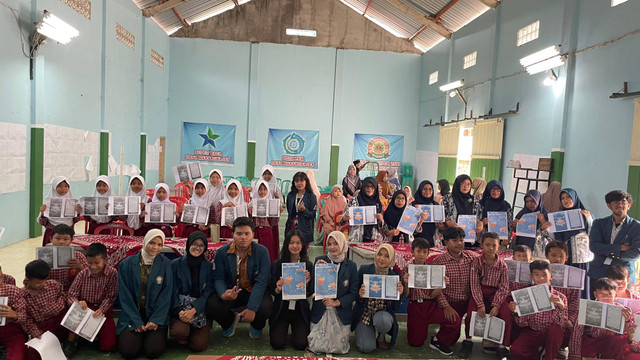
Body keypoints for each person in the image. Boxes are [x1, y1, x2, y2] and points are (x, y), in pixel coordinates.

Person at [207, 217, 273, 339]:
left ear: (253, 234)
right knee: (212, 304)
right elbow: (218, 278)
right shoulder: (222, 252)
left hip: (252, 290)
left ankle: (257, 325)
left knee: (266, 306)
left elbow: (262, 281)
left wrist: (252, 308)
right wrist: (223, 294)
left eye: (247, 233)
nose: (243, 237)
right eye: (239, 233)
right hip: (232, 291)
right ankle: (229, 322)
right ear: (233, 234)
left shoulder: (262, 252)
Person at [117, 229, 173, 359]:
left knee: (153, 351)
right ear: (145, 241)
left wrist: (156, 320)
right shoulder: (126, 264)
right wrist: (135, 320)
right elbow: (125, 296)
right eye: (152, 243)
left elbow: (166, 294)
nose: (155, 247)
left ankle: (148, 335)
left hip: (155, 315)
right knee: (129, 352)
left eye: (160, 244)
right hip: (132, 314)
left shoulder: (166, 264)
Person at [429, 227, 477, 356]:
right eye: (454, 240)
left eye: (461, 240)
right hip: (448, 302)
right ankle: (436, 341)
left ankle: (468, 340)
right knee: (453, 323)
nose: (459, 243)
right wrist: (446, 306)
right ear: (446, 242)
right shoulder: (438, 262)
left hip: (466, 302)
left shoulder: (471, 258)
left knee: (455, 336)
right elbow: (436, 288)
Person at [64, 243, 118, 357]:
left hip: (102, 310)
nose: (93, 267)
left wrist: (102, 309)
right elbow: (71, 294)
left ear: (106, 260)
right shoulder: (83, 273)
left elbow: (111, 296)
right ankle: (70, 341)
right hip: (85, 307)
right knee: (77, 312)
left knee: (109, 346)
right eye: (89, 263)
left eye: (97, 263)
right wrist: (78, 303)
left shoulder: (112, 273)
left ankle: (89, 336)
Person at [463, 232, 512, 358]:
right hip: (479, 292)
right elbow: (474, 285)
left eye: (494, 245)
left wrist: (496, 305)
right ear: (482, 246)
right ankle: (468, 341)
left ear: (499, 246)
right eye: (487, 245)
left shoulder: (503, 266)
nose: (490, 248)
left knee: (506, 314)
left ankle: (502, 346)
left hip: (496, 294)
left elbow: (504, 287)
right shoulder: (476, 263)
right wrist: (480, 304)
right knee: (470, 314)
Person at [401, 238, 454, 354]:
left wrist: (441, 285)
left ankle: (438, 340)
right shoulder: (407, 269)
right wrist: (406, 283)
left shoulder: (432, 270)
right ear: (412, 252)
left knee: (454, 320)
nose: (421, 255)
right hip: (415, 306)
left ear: (428, 254)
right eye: (418, 251)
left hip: (430, 305)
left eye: (425, 252)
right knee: (415, 343)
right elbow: (406, 295)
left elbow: (433, 294)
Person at [309, 231, 358, 354]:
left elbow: (353, 293)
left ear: (342, 244)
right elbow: (312, 290)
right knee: (317, 346)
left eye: (336, 243)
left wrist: (337, 302)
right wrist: (317, 272)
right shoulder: (320, 261)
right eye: (329, 244)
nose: (332, 247)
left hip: (340, 311)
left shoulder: (351, 266)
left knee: (340, 347)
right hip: (321, 309)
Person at [509, 260, 568, 360]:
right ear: (531, 276)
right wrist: (516, 312)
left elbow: (562, 323)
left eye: (544, 275)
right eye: (536, 275)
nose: (541, 278)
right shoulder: (525, 295)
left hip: (550, 333)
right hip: (531, 331)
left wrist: (561, 307)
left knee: (555, 331)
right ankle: (539, 352)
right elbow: (522, 323)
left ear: (551, 277)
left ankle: (548, 356)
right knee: (515, 351)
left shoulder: (560, 297)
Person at [353, 244, 403, 353]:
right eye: (379, 254)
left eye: (386, 256)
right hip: (365, 313)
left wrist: (399, 294)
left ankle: (381, 336)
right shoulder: (364, 270)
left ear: (391, 259)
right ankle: (368, 333)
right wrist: (360, 295)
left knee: (384, 321)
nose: (382, 258)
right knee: (366, 348)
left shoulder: (394, 276)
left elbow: (395, 307)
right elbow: (354, 296)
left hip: (382, 314)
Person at [269, 230, 313, 350]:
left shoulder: (307, 265)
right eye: (291, 242)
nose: (295, 246)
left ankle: (296, 333)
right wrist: (277, 289)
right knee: (277, 344)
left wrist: (307, 284)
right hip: (282, 308)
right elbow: (271, 289)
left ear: (302, 245)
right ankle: (283, 332)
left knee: (301, 344)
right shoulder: (278, 264)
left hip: (299, 309)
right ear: (286, 244)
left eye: (298, 243)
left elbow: (310, 292)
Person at [588, 190, 640, 294]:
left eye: (623, 202)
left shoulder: (637, 226)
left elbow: (636, 253)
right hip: (599, 271)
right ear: (609, 205)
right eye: (616, 202)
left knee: (622, 307)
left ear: (628, 205)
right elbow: (594, 246)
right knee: (597, 306)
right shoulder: (599, 223)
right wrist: (619, 248)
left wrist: (609, 255)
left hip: (623, 275)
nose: (620, 204)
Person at [170, 231, 214, 352]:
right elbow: (172, 290)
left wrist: (194, 310)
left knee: (199, 346)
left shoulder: (208, 266)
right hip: (180, 308)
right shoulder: (175, 264)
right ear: (188, 244)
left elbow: (208, 291)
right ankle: (184, 333)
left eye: (201, 245)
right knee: (180, 333)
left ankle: (195, 331)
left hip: (199, 309)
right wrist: (180, 312)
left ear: (205, 248)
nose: (197, 248)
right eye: (194, 244)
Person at [568, 277, 632, 360]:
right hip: (590, 340)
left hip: (609, 341)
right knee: (583, 346)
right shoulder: (587, 308)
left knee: (619, 340)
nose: (605, 296)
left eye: (609, 294)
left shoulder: (620, 309)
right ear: (595, 294)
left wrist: (627, 320)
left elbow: (625, 332)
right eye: (601, 293)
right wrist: (574, 355)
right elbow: (577, 332)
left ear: (615, 295)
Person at [21, 260, 68, 359]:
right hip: (42, 329)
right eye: (38, 282)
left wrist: (57, 307)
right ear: (28, 280)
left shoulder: (54, 285)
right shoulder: (22, 296)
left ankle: (70, 344)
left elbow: (63, 297)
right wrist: (36, 333)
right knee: (33, 354)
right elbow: (26, 319)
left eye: (44, 280)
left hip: (61, 321)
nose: (43, 284)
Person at [554, 188, 594, 299]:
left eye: (568, 197)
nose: (566, 200)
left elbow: (594, 234)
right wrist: (549, 228)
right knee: (566, 284)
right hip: (566, 257)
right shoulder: (559, 217)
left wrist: (589, 219)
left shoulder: (585, 214)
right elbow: (556, 239)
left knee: (581, 284)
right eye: (562, 198)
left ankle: (581, 308)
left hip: (581, 257)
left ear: (575, 198)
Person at [545, 240, 580, 359]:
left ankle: (560, 347)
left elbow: (575, 301)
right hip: (543, 316)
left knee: (573, 327)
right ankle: (542, 346)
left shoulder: (574, 276)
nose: (557, 259)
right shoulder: (541, 273)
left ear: (567, 258)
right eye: (553, 255)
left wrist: (570, 319)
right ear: (547, 256)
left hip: (563, 316)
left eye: (561, 256)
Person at [38, 176, 81, 246]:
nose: (63, 189)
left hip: (67, 234)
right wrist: (42, 213)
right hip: (52, 233)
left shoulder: (71, 202)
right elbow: (43, 222)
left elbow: (75, 220)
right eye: (59, 186)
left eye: (66, 186)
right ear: (54, 187)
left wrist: (78, 212)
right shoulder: (48, 203)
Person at [441, 174, 483, 245]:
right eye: (463, 183)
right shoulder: (447, 198)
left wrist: (480, 223)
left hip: (469, 237)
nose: (466, 186)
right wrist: (447, 221)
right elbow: (441, 215)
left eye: (468, 184)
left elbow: (478, 217)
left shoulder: (474, 200)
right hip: (451, 236)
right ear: (457, 184)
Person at [341, 177, 384, 243]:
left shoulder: (378, 203)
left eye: (372, 187)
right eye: (367, 186)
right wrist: (344, 218)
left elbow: (383, 225)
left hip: (374, 239)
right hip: (357, 238)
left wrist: (381, 220)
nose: (370, 189)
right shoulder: (355, 200)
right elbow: (342, 221)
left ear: (376, 188)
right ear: (363, 187)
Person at [0, 269, 32, 359]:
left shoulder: (12, 291)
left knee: (18, 355)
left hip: (11, 329)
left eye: (0, 278)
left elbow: (24, 316)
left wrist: (14, 314)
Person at [47, 224, 88, 292]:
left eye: (66, 239)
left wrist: (80, 267)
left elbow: (90, 274)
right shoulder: (44, 256)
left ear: (71, 240)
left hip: (73, 290)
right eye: (58, 238)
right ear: (51, 239)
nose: (61, 242)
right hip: (51, 291)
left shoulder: (78, 256)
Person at [248, 180, 281, 262]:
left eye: (265, 189)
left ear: (268, 190)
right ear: (256, 190)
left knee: (267, 254)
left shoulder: (271, 203)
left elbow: (273, 223)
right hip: (255, 232)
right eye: (260, 189)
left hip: (267, 232)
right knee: (254, 254)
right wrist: (249, 213)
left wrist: (277, 212)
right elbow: (248, 222)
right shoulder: (251, 204)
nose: (262, 192)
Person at [284, 172, 317, 247]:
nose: (299, 183)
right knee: (292, 249)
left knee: (304, 252)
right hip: (292, 226)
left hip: (304, 227)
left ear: (306, 182)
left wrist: (305, 210)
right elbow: (289, 213)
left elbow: (313, 215)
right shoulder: (290, 195)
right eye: (296, 181)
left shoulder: (311, 196)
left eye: (301, 181)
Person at [480, 180, 513, 246]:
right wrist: (482, 222)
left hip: (501, 241)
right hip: (483, 239)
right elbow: (476, 219)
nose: (495, 192)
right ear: (488, 190)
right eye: (493, 189)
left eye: (498, 190)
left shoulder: (506, 206)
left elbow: (510, 224)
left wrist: (508, 237)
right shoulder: (481, 204)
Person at [412, 180, 439, 246]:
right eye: (425, 189)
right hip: (417, 238)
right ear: (420, 189)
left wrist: (440, 224)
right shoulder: (413, 205)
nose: (428, 191)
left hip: (431, 238)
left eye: (430, 189)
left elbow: (439, 224)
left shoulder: (436, 205)